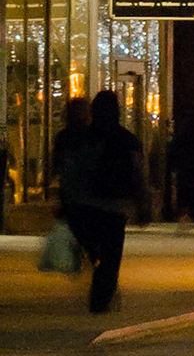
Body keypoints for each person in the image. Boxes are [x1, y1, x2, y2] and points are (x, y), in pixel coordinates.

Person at [59, 91, 149, 314]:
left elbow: (71, 171)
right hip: (115, 206)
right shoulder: (127, 140)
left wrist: (66, 200)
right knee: (111, 255)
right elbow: (138, 174)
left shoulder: (83, 137)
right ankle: (101, 297)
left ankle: (100, 287)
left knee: (96, 250)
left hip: (85, 204)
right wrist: (142, 202)